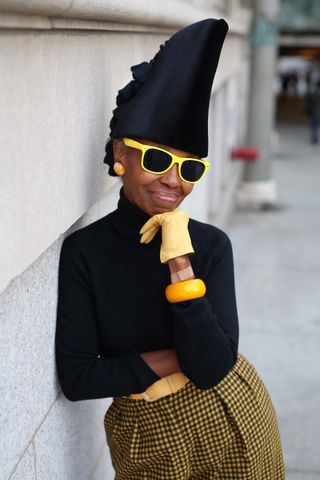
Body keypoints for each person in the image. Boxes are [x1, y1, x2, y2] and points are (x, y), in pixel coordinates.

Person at [55, 18, 285, 479]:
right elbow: (79, 378)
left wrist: (180, 261)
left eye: (190, 169)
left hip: (233, 418)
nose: (174, 181)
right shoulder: (86, 251)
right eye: (158, 159)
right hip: (144, 434)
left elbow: (216, 369)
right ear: (121, 155)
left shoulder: (210, 246)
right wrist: (181, 355)